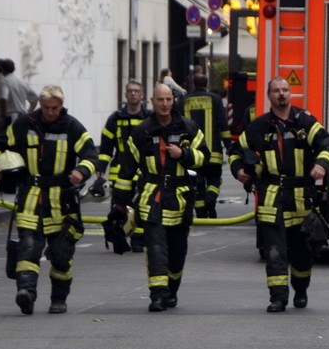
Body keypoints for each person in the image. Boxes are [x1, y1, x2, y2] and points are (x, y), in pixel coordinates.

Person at [0, 85, 99, 316]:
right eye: (46, 108)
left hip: (61, 199)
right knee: (28, 247)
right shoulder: (25, 124)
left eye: (54, 108)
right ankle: (26, 292)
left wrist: (82, 172)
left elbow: (90, 155)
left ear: (61, 105)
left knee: (61, 254)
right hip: (31, 196)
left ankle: (58, 299)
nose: (50, 112)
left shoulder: (72, 126)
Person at [229, 77, 329, 313]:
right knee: (275, 252)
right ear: (269, 96)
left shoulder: (304, 121)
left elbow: (326, 144)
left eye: (285, 90)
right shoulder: (259, 126)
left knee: (301, 253)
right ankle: (278, 298)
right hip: (271, 197)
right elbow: (236, 150)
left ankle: (301, 289)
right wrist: (238, 171)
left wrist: (321, 165)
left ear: (291, 94)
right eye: (276, 91)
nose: (281, 94)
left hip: (299, 198)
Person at [112, 83, 209, 312]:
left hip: (180, 199)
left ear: (173, 101)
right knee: (155, 248)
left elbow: (205, 157)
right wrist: (120, 202)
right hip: (151, 197)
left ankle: (171, 289)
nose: (165, 104)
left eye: (168, 99)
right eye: (160, 100)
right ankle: (157, 294)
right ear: (152, 102)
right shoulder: (142, 131)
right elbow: (126, 167)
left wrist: (183, 154)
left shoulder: (188, 127)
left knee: (177, 250)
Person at [94, 80, 151, 252]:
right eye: (130, 91)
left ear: (142, 95)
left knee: (141, 208)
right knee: (119, 208)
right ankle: (119, 238)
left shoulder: (148, 118)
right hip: (119, 173)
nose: (133, 94)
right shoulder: (116, 118)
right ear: (125, 95)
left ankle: (138, 240)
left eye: (136, 91)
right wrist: (101, 167)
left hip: (142, 171)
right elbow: (106, 146)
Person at [182, 73, 231, 218]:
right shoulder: (215, 100)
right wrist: (229, 147)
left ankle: (201, 212)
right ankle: (211, 199)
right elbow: (223, 125)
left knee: (197, 182)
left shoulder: (184, 100)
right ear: (206, 84)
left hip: (193, 154)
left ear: (193, 84)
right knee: (214, 179)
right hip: (213, 152)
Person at [3, 59, 39, 123]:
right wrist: (29, 112)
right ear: (14, 68)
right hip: (22, 117)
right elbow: (35, 98)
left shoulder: (2, 83)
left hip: (7, 118)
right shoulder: (22, 82)